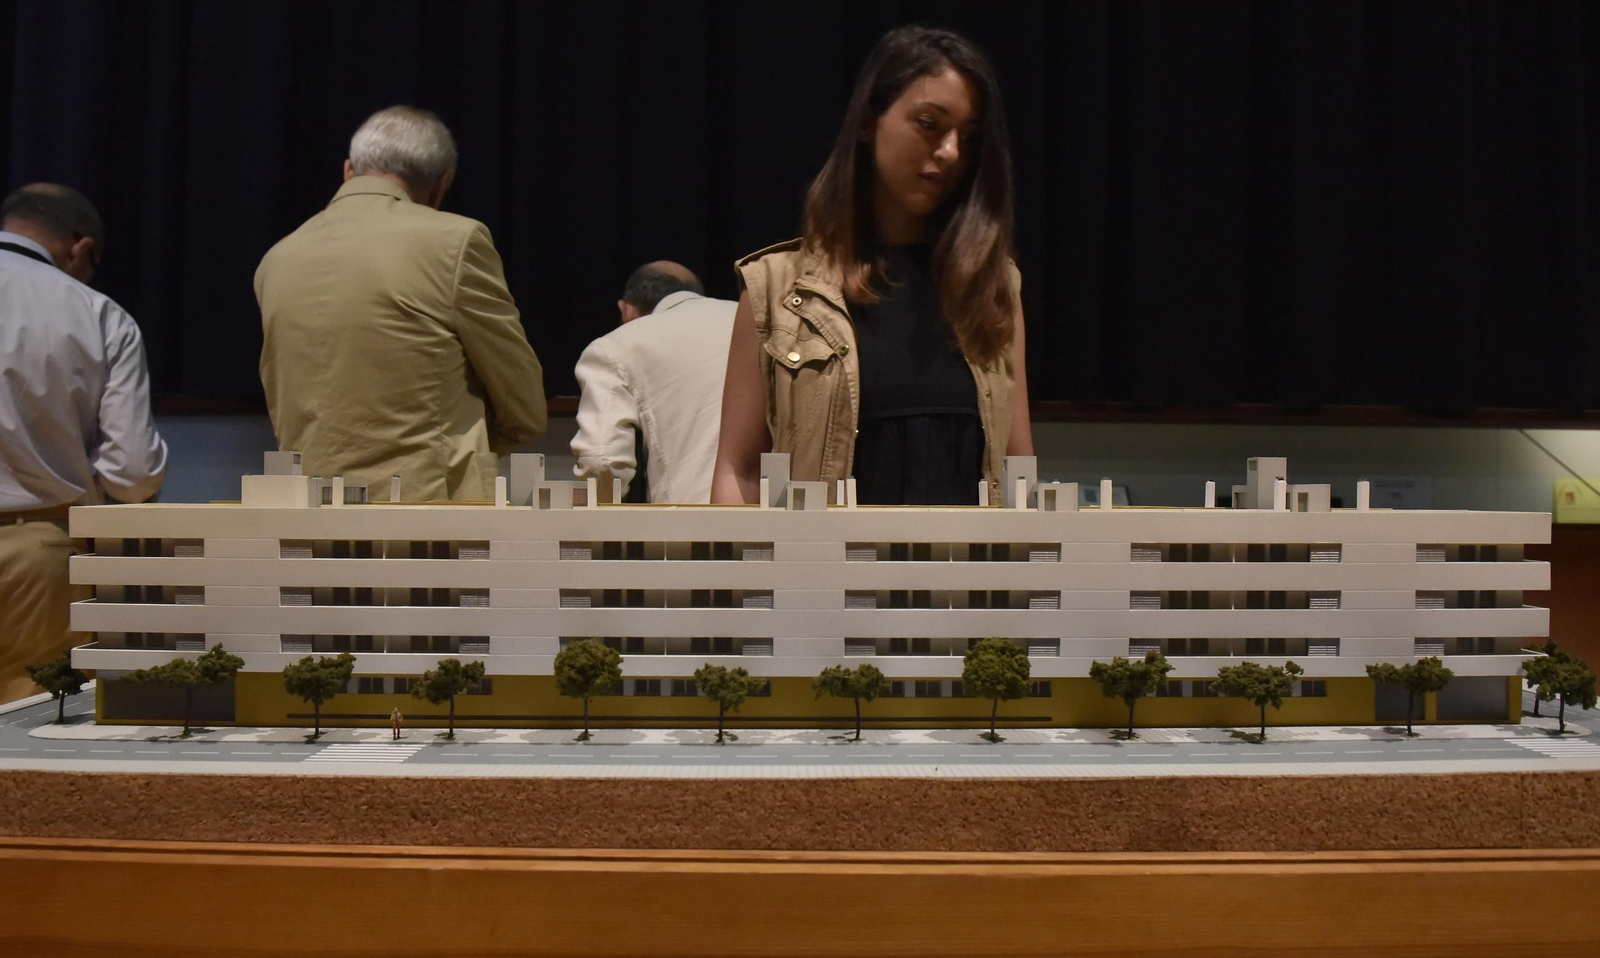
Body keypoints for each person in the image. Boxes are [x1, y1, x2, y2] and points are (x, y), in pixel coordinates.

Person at [711, 26, 1032, 506]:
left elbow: (1018, 472)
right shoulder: (775, 287)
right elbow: (739, 472)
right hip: (822, 558)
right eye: (929, 123)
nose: (950, 152)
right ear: (867, 121)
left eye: (968, 137)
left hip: (965, 559)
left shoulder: (992, 286)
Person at [256, 106, 547, 501]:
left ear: (349, 170)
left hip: (308, 506)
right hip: (428, 507)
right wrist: (470, 445)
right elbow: (521, 400)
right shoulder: (456, 242)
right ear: (441, 184)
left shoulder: (277, 259)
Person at [0, 183, 167, 701]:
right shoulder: (98, 314)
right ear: (81, 248)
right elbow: (132, 472)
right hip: (37, 553)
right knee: (29, 721)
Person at [571, 261, 737, 503]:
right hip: (781, 513)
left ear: (625, 309)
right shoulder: (759, 322)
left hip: (686, 518)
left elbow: (601, 463)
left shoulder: (615, 346)